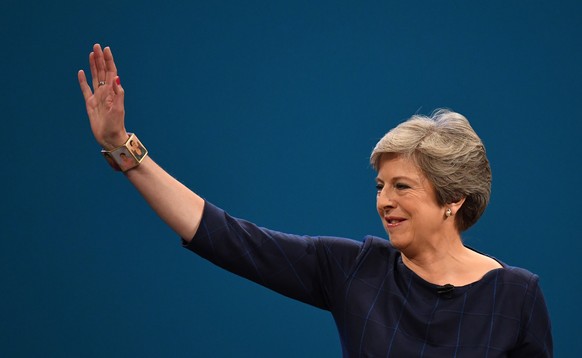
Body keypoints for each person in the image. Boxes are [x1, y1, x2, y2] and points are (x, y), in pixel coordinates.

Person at [78, 44, 553, 357]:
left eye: (402, 186)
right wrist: (125, 150)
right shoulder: (354, 270)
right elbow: (223, 236)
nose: (384, 201)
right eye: (379, 187)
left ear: (453, 199)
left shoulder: (517, 296)